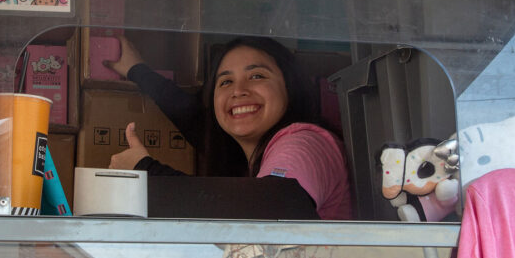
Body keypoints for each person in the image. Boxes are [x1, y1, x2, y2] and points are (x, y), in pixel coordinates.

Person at [104, 35, 354, 220]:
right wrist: (137, 71)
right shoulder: (245, 153)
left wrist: (145, 171)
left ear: (291, 87)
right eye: (225, 82)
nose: (238, 91)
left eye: (256, 76)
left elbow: (271, 207)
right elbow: (195, 121)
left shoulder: (303, 142)